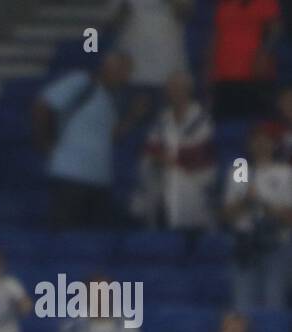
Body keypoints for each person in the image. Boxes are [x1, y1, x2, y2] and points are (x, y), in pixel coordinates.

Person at [33, 52, 138, 228]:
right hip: (70, 175)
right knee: (65, 237)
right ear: (108, 68)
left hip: (100, 179)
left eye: (127, 72)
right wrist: (44, 144)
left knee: (92, 242)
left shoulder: (114, 99)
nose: (125, 77)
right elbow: (42, 105)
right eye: (123, 71)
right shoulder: (81, 82)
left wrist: (133, 117)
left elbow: (110, 136)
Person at [132, 72, 216, 233]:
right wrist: (163, 159)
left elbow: (199, 155)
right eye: (170, 88)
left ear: (188, 89)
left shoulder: (203, 118)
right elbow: (149, 151)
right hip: (162, 177)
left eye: (178, 87)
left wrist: (171, 159)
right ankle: (157, 235)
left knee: (173, 178)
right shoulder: (163, 118)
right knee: (155, 178)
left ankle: (177, 233)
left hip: (196, 180)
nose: (174, 92)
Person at [222, 128, 292, 311]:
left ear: (274, 143)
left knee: (273, 302)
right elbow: (227, 214)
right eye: (256, 139)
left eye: (265, 139)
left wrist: (263, 204)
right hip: (245, 245)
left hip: (276, 243)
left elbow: (288, 217)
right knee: (242, 306)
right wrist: (246, 200)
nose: (260, 144)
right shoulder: (240, 170)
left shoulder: (285, 172)